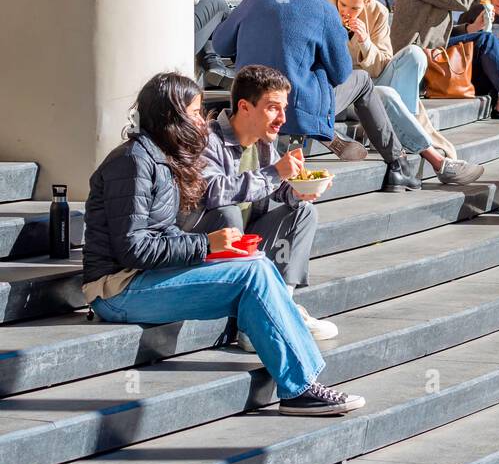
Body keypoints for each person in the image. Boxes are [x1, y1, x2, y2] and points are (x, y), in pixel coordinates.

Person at [81, 72, 365, 415]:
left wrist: (214, 249)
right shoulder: (132, 162)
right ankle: (300, 388)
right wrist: (205, 245)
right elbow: (134, 249)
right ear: (172, 116)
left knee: (255, 264)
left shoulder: (163, 158)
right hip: (117, 290)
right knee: (252, 275)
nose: (203, 121)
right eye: (196, 112)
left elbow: (161, 232)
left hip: (146, 278)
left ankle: (297, 370)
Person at [212, 0, 421, 191]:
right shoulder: (324, 9)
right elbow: (342, 73)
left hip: (250, 107)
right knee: (363, 81)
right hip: (297, 110)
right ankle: (398, 165)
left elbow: (220, 45)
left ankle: (333, 135)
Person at [177, 64, 338, 343]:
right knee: (227, 212)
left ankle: (280, 309)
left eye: (284, 109)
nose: (282, 118)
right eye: (273, 108)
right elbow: (212, 192)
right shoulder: (208, 141)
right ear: (245, 107)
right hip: (205, 246)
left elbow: (273, 191)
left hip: (246, 242)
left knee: (303, 212)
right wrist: (275, 172)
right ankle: (251, 320)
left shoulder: (264, 143)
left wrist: (298, 191)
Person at [330, 0, 484, 185]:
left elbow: (382, 64)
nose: (346, 11)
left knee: (415, 54)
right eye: (343, 3)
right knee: (386, 93)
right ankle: (438, 162)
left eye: (355, 7)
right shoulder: (325, 9)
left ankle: (393, 129)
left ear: (367, 2)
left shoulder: (378, 12)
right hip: (345, 93)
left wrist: (365, 42)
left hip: (371, 81)